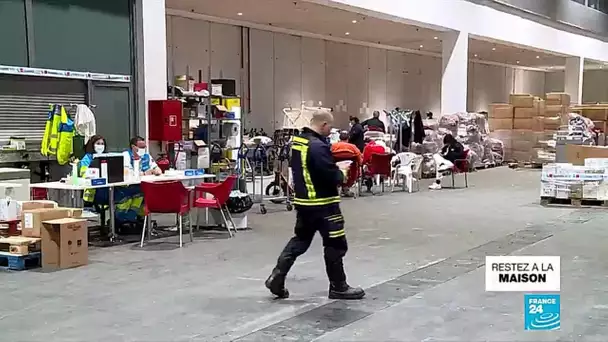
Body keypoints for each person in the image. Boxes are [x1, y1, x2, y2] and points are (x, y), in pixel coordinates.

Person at [265, 110, 365, 300]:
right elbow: (329, 175)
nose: (330, 131)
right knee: (335, 244)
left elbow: (308, 168)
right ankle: (338, 286)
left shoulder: (299, 142)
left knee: (300, 241)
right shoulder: (318, 146)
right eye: (330, 127)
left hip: (304, 203)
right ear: (324, 125)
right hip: (324, 204)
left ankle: (277, 276)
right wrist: (341, 171)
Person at [79, 135, 109, 205]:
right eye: (98, 143)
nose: (100, 146)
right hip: (92, 188)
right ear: (93, 145)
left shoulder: (107, 156)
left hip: (106, 185)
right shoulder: (87, 158)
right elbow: (84, 174)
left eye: (102, 144)